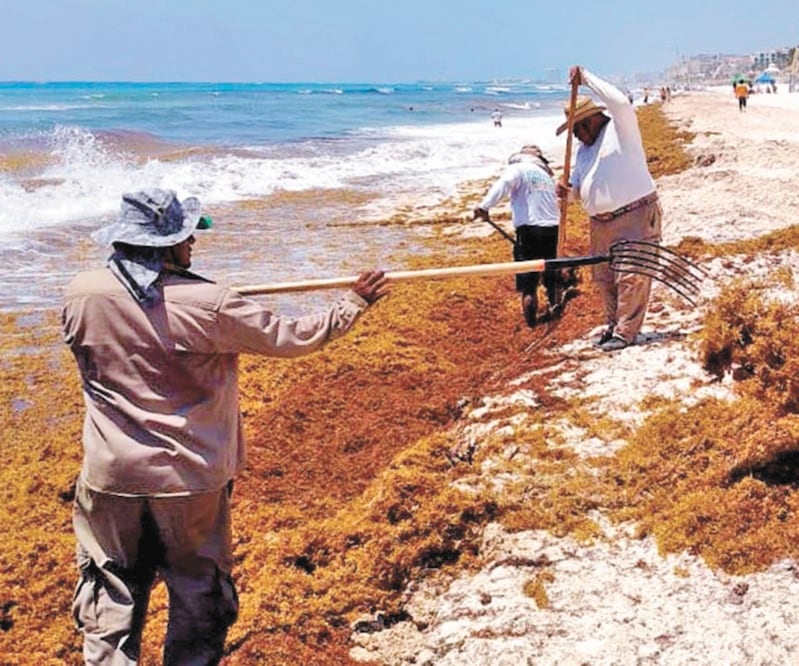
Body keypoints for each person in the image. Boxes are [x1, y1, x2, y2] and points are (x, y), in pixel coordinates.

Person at [61, 188, 388, 664]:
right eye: (187, 235)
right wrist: (352, 304)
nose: (194, 242)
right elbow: (291, 338)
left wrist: (194, 295)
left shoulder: (81, 293)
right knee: (198, 589)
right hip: (189, 478)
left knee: (111, 591)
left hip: (109, 476)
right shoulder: (208, 303)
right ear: (165, 244)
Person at [555, 66, 662, 352]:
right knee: (605, 278)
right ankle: (613, 324)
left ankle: (627, 332)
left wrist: (586, 78)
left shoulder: (619, 128)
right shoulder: (582, 150)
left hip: (635, 214)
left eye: (578, 127)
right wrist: (568, 190)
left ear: (591, 119)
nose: (576, 135)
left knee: (631, 274)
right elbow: (578, 189)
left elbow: (620, 101)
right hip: (600, 223)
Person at [473, 144, 560, 327]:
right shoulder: (547, 176)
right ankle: (556, 310)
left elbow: (503, 185)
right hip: (551, 227)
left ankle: (531, 325)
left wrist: (484, 206)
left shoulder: (518, 168)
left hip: (529, 229)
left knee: (528, 282)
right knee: (550, 270)